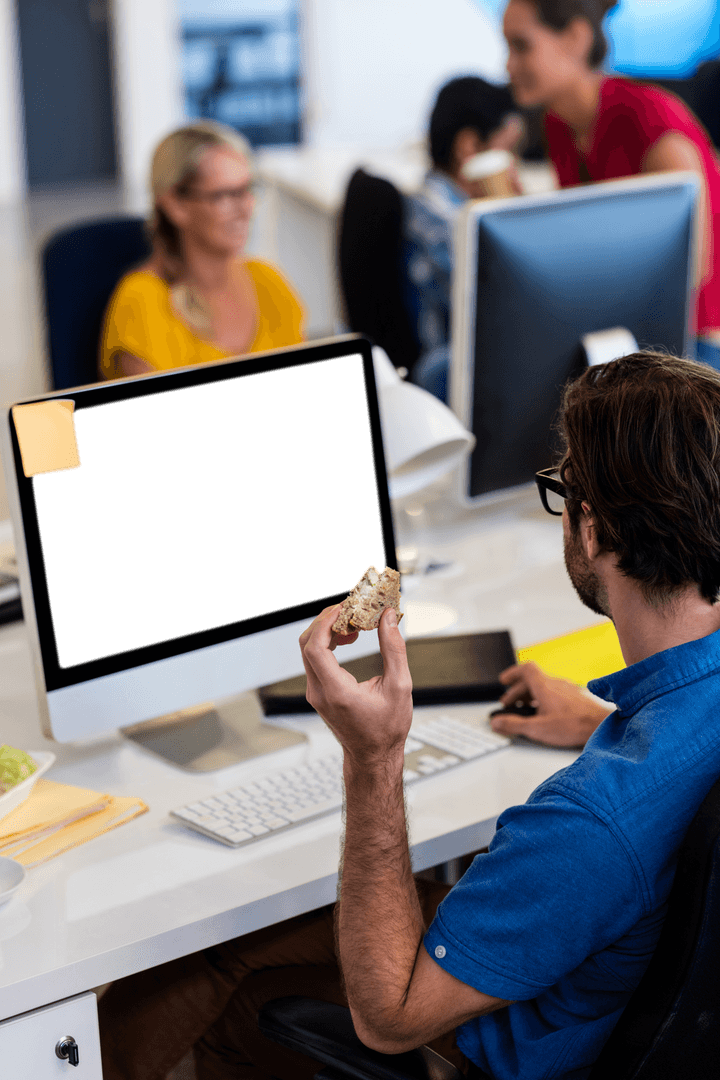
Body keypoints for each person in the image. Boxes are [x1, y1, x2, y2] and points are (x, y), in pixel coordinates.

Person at [98, 350, 720, 1079]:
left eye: (563, 492)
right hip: (638, 1001)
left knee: (232, 998)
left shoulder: (589, 824)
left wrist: (374, 756)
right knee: (236, 941)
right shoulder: (665, 753)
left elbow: (390, 1019)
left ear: (591, 528)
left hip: (499, 1048)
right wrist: (593, 722)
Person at [502, 0, 720, 368]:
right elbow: (587, 242)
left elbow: (692, 269)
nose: (508, 65)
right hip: (623, 333)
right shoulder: (559, 125)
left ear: (575, 38)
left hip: (688, 343)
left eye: (521, 46)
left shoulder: (648, 119)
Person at [99, 121, 304, 381]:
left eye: (247, 189)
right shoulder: (141, 303)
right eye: (224, 195)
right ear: (175, 204)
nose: (246, 208)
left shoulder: (270, 283)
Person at [405, 77, 525, 402]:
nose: (514, 167)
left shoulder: (433, 205)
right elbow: (509, 308)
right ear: (469, 148)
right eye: (507, 151)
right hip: (450, 383)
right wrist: (514, 218)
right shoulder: (443, 226)